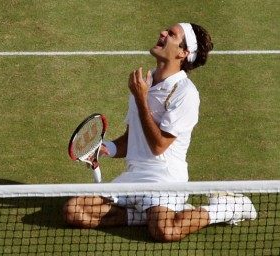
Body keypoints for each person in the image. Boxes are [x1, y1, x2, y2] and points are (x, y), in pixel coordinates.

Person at [63, 22, 257, 242]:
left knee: (165, 231)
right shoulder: (145, 83)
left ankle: (227, 208)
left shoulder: (185, 93)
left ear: (184, 53)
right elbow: (131, 139)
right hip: (133, 177)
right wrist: (108, 147)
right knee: (74, 210)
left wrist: (140, 98)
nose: (162, 33)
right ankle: (143, 215)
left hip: (165, 178)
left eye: (171, 34)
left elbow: (158, 146)